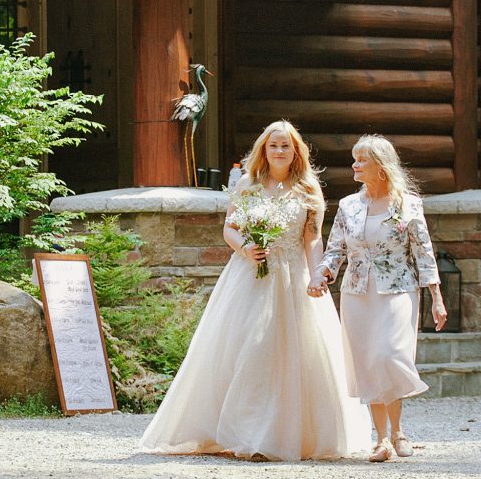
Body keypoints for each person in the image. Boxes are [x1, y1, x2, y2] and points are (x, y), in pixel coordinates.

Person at [140, 120, 370, 461]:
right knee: (249, 349)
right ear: (264, 149)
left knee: (294, 352)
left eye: (286, 146)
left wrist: (317, 274)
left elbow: (312, 237)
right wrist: (245, 248)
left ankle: (282, 434)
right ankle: (244, 432)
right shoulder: (248, 184)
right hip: (250, 274)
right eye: (273, 145)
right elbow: (229, 228)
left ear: (296, 152)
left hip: (292, 275)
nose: (279, 151)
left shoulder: (308, 188)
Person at [309, 134, 447, 463]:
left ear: (381, 166)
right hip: (357, 293)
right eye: (354, 158)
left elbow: (424, 253)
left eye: (361, 160)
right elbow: (335, 251)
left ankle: (398, 430)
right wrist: (321, 275)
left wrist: (437, 297)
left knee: (388, 354)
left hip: (399, 289)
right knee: (369, 363)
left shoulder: (408, 205)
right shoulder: (348, 206)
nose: (354, 165)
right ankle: (382, 439)